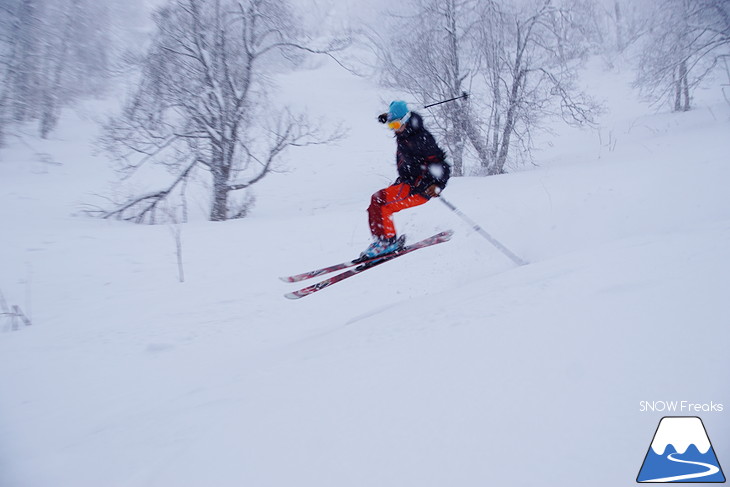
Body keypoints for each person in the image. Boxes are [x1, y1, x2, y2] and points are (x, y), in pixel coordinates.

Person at [360, 100, 451, 259]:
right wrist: (387, 118)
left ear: (406, 120)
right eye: (391, 126)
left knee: (380, 201)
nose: (394, 130)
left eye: (396, 125)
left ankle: (386, 242)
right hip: (406, 182)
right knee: (376, 205)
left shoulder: (423, 139)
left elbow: (441, 164)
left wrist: (438, 185)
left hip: (420, 187)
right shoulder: (405, 131)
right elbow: (397, 106)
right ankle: (381, 241)